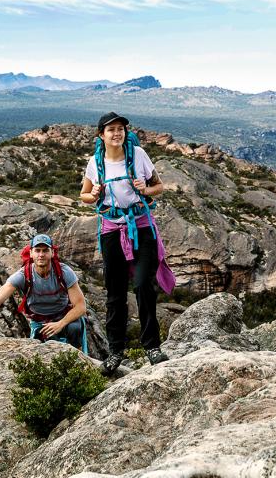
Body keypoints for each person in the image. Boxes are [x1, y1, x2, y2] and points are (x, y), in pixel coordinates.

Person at [79, 112, 171, 374]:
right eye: (111, 130)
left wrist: (145, 189)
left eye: (121, 129)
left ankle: (152, 347)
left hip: (141, 227)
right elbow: (83, 194)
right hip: (111, 230)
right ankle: (115, 352)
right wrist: (93, 193)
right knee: (115, 292)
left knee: (143, 285)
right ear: (101, 135)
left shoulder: (139, 155)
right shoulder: (95, 163)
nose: (117, 133)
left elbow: (159, 187)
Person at [0, 233, 87, 350]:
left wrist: (60, 323)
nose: (41, 255)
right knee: (45, 347)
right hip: (40, 322)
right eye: (37, 250)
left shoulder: (64, 272)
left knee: (74, 328)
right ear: (31, 253)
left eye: (45, 250)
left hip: (63, 316)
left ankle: (79, 358)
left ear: (52, 253)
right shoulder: (23, 275)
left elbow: (81, 306)